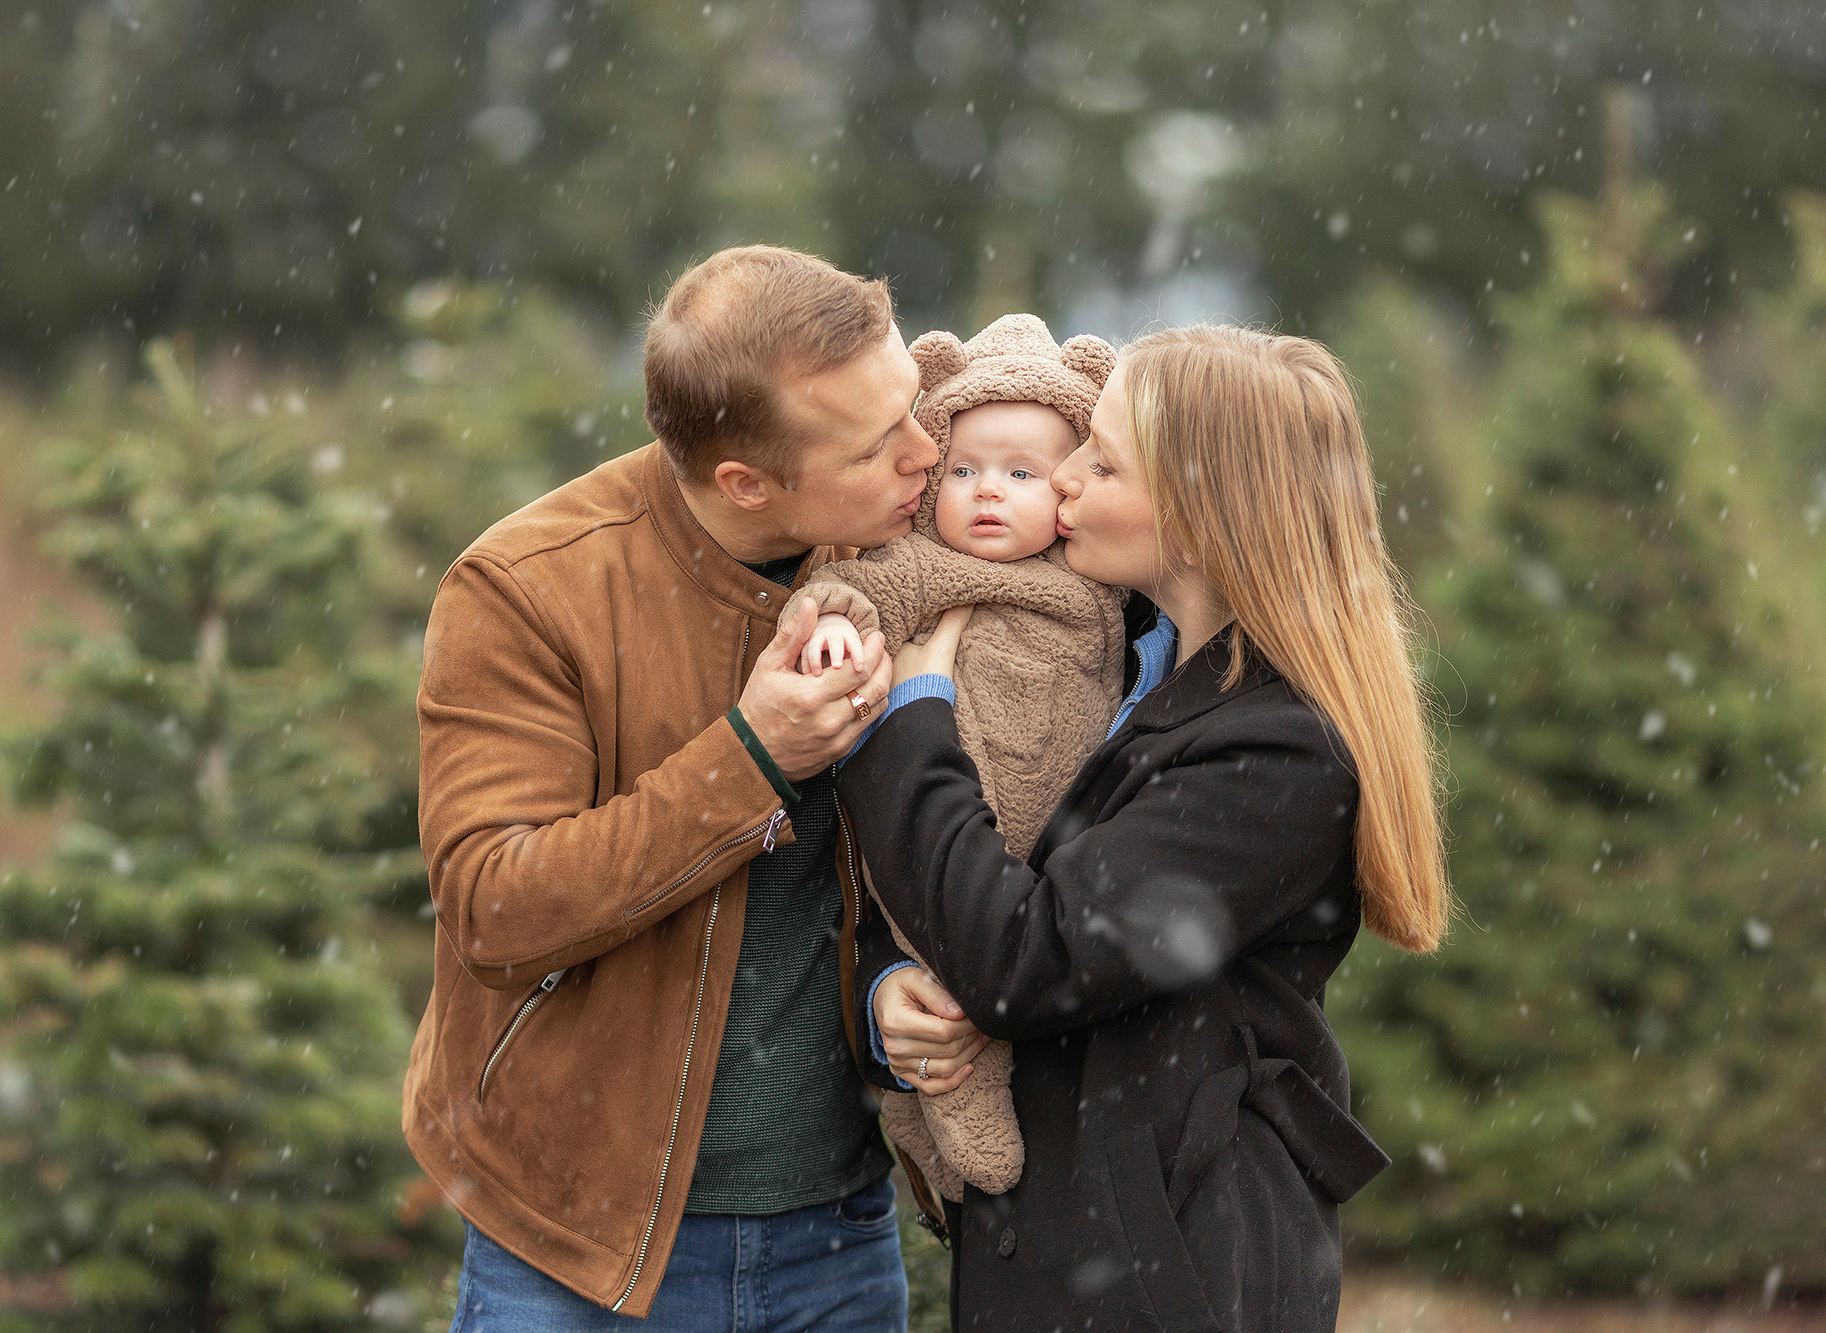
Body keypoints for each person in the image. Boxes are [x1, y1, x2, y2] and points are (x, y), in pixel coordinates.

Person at [404, 244, 975, 1331]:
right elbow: (493, 905)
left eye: (912, 402)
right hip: (575, 1246)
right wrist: (750, 758)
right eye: (874, 444)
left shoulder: (920, 554)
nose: (924, 452)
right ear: (744, 483)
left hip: (839, 1233)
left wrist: (891, 992)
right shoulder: (526, 589)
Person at [845, 324, 1450, 1331]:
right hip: (1060, 1252)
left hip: (1165, 1271)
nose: (1063, 476)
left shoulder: (1278, 753)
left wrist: (908, 719)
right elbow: (961, 873)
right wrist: (885, 989)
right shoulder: (1104, 658)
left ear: (1203, 508)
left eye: (1102, 458)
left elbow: (1023, 955)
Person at [787, 313, 1127, 1202]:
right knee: (938, 978)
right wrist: (829, 625)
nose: (987, 493)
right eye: (964, 471)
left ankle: (957, 1153)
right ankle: (948, 1135)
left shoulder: (1101, 580)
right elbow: (854, 588)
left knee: (1005, 971)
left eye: (1022, 475)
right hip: (942, 820)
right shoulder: (928, 569)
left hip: (1052, 855)